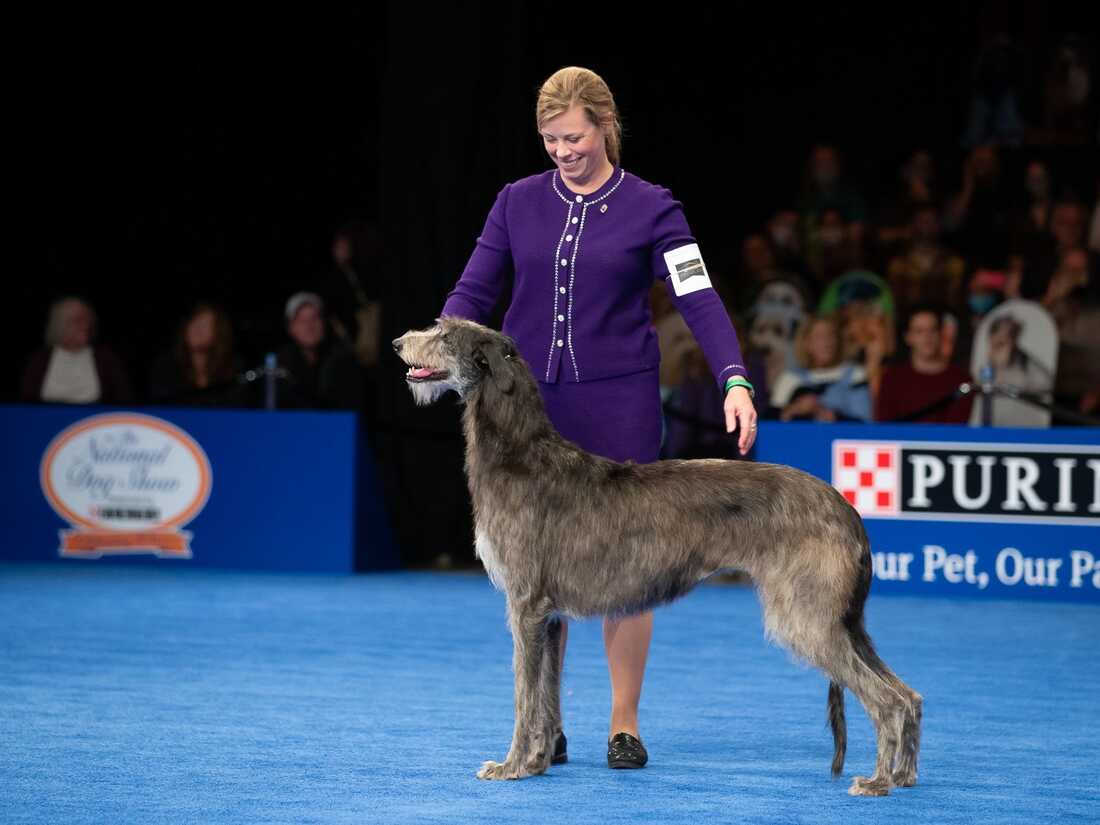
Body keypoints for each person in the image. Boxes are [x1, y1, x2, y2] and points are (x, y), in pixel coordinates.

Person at [438, 66, 757, 770]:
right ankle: (543, 728)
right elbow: (473, 290)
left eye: (574, 136)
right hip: (528, 414)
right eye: (550, 139)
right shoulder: (516, 202)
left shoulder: (654, 208)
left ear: (606, 126)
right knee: (536, 572)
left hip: (620, 408)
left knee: (627, 565)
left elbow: (698, 299)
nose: (562, 151)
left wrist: (734, 377)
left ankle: (624, 720)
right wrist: (441, 346)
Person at [20, 297, 133, 405]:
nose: (85, 325)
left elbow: (123, 399)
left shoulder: (106, 359)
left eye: (87, 320)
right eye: (78, 320)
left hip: (92, 421)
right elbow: (25, 400)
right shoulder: (40, 359)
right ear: (61, 325)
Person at [875, 306, 973, 423]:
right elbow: (885, 427)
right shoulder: (892, 379)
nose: (927, 337)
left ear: (941, 334)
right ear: (908, 337)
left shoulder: (961, 380)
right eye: (919, 331)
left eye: (932, 330)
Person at [770, 314, 872, 422]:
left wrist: (829, 415)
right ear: (806, 343)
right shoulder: (790, 378)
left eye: (830, 335)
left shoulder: (855, 375)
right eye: (819, 336)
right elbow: (768, 422)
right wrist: (794, 409)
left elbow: (865, 422)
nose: (826, 342)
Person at [277, 292, 365, 410]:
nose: (309, 326)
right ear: (290, 327)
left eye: (315, 318)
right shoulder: (280, 365)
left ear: (324, 323)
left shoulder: (345, 362)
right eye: (302, 320)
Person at [149, 303, 246, 406]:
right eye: (193, 323)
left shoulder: (232, 369)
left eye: (204, 325)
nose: (197, 330)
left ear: (218, 332)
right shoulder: (166, 367)